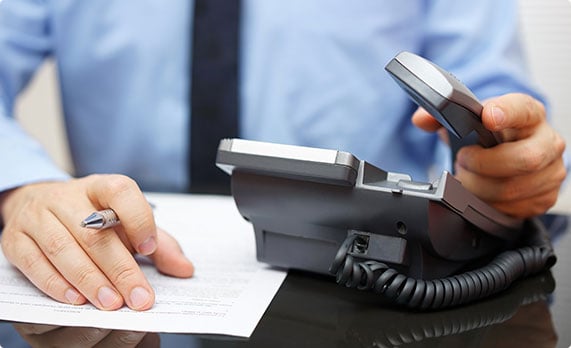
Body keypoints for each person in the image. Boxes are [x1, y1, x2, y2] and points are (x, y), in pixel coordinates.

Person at [0, 0, 567, 319]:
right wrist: (22, 187)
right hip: (126, 272)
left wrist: (505, 162)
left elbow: (489, 101)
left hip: (369, 286)